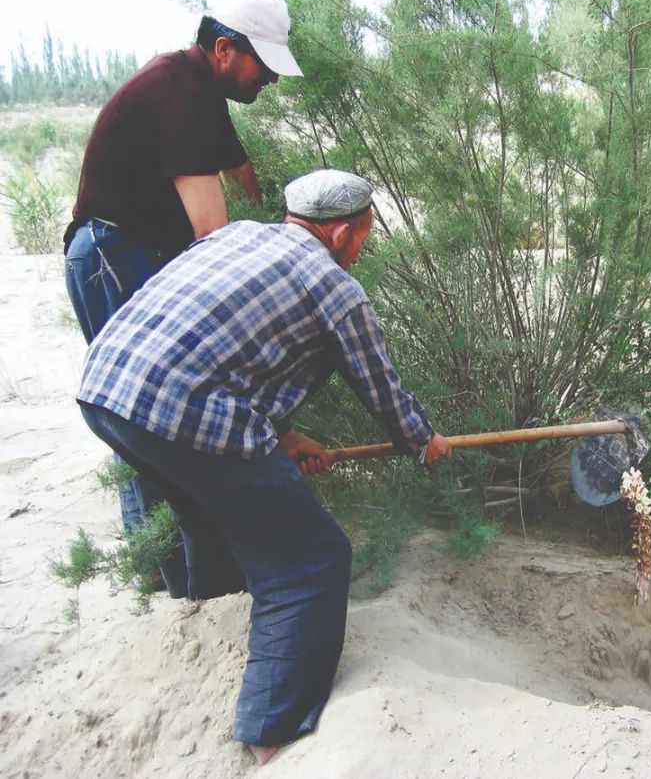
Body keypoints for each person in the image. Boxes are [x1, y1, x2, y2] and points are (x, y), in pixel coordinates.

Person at [76, 169, 452, 764]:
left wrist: (284, 435)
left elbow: (217, 347)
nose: (362, 249)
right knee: (311, 561)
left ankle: (213, 636)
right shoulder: (334, 286)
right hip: (177, 407)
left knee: (209, 518)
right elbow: (379, 387)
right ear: (339, 235)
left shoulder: (236, 237)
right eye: (363, 237)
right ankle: (271, 735)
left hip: (106, 389)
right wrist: (423, 440)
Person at [62, 0, 304, 586]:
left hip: (130, 254)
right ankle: (178, 583)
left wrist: (284, 215)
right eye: (264, 66)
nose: (270, 81)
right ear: (225, 48)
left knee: (148, 418)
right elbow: (213, 239)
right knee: (148, 418)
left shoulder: (200, 87)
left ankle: (178, 575)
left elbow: (240, 171)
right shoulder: (179, 96)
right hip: (114, 257)